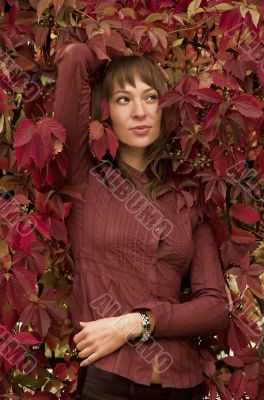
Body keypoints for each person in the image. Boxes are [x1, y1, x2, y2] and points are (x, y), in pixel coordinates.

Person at [54, 41, 229, 400]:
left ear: (164, 108)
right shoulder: (85, 180)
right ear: (105, 112)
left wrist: (134, 323)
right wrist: (130, 52)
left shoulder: (187, 198)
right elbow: (74, 57)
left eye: (150, 97)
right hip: (108, 385)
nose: (139, 111)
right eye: (123, 99)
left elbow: (214, 307)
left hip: (184, 386)